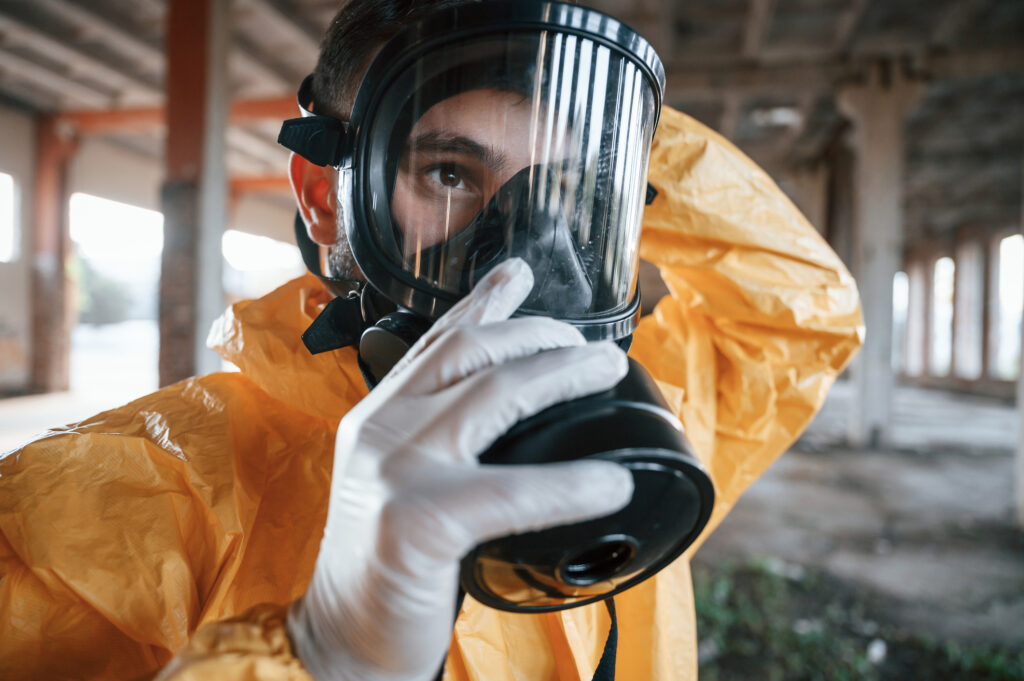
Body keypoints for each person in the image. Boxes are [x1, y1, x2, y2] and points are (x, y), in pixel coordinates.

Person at [0, 1, 863, 680]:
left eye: (565, 192)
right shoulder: (108, 509)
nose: (526, 248)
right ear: (326, 198)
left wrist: (617, 116)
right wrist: (325, 653)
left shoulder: (643, 419)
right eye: (451, 174)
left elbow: (799, 311)